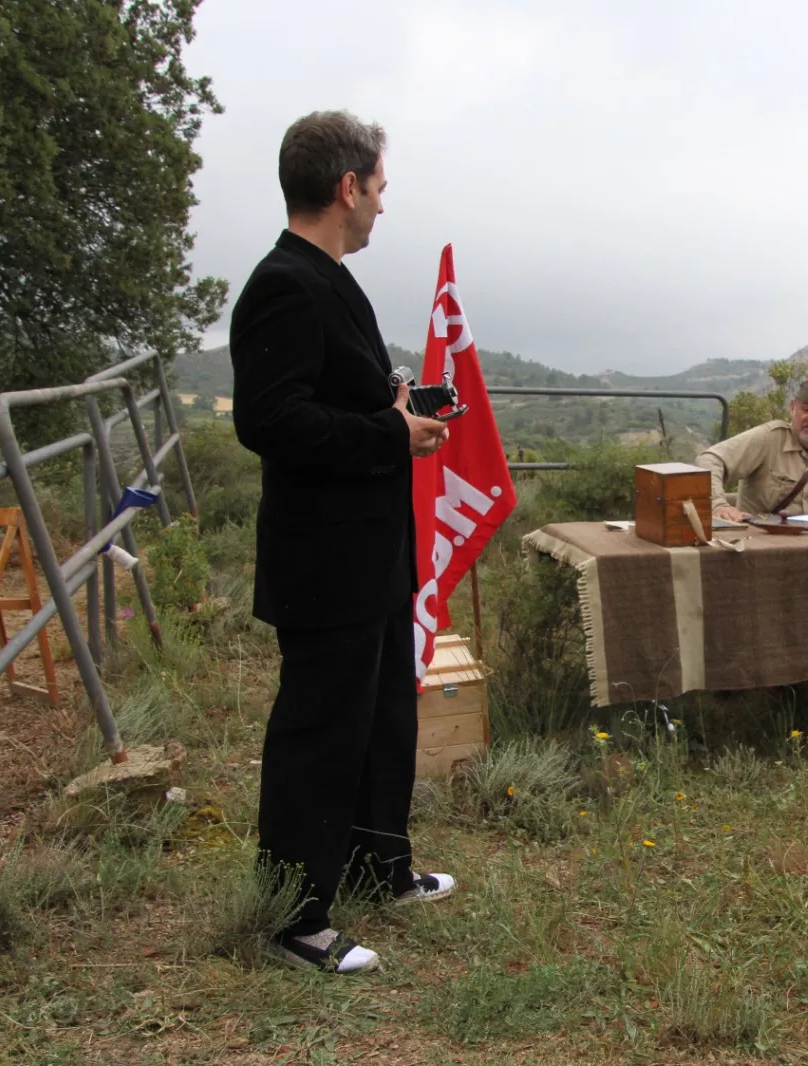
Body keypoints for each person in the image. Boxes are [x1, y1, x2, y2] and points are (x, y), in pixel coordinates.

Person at [231, 110, 455, 975]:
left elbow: (338, 390)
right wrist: (390, 436)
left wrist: (400, 400)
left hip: (368, 553)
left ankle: (376, 861)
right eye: (379, 190)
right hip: (323, 560)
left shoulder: (331, 278)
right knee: (319, 732)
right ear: (346, 187)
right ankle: (295, 916)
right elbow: (271, 420)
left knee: (378, 718)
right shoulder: (284, 282)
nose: (383, 208)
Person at [698, 374, 808, 519]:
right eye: (806, 409)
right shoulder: (768, 439)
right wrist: (718, 505)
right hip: (762, 545)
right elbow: (709, 460)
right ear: (793, 408)